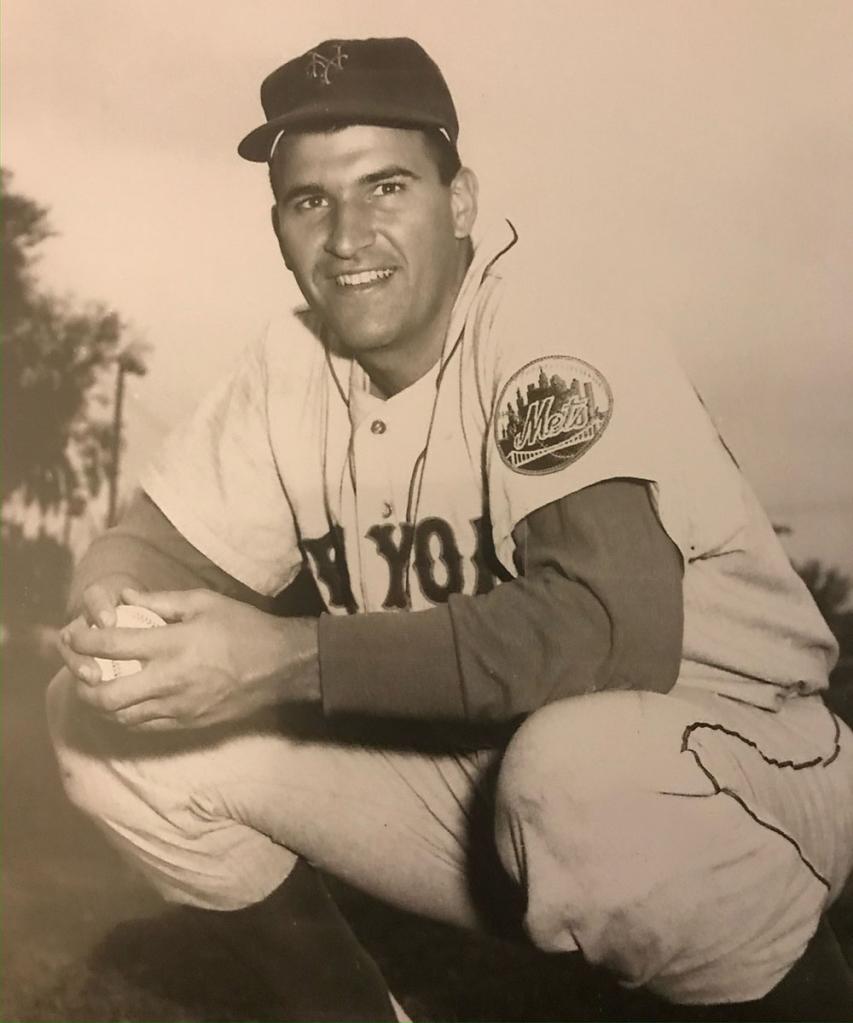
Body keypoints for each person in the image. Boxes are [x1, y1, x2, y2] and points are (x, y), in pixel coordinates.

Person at [48, 36, 853, 1021]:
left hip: (736, 761)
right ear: (279, 226)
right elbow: (145, 543)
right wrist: (113, 606)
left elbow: (609, 635)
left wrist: (279, 658)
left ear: (460, 199)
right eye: (311, 200)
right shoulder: (288, 366)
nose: (347, 236)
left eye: (385, 187)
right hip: (491, 764)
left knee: (583, 774)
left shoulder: (547, 322)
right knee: (99, 719)